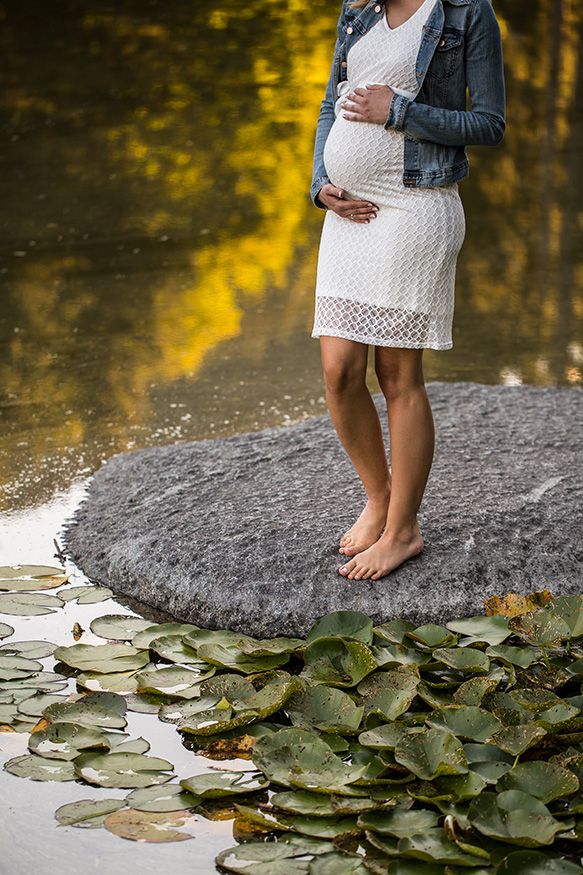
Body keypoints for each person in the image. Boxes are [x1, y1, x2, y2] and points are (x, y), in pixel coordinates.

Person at [310, 0, 506, 581]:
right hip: (348, 214)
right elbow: (331, 105)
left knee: (397, 377)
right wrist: (320, 185)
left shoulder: (467, 13)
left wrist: (397, 111)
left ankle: (403, 531)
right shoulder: (357, 11)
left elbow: (489, 124)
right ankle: (379, 499)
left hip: (416, 206)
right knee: (339, 371)